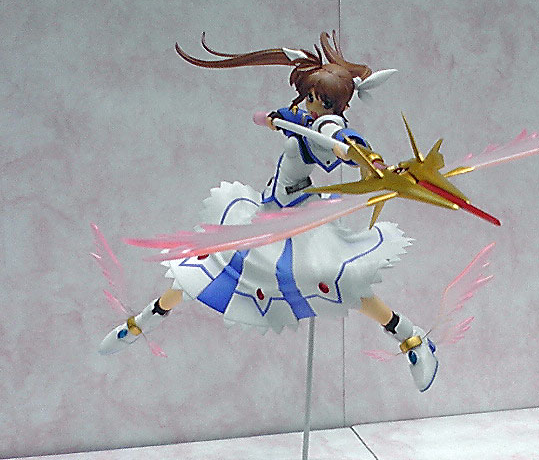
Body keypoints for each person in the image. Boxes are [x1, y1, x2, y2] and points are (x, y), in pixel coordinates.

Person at [99, 31, 438, 393]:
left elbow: (343, 139)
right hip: (266, 211)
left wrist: (355, 151)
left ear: (335, 104)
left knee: (342, 283)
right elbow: (288, 116)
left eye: (320, 100)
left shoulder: (328, 126)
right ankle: (141, 322)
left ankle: (412, 339)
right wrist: (276, 118)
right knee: (204, 268)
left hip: (296, 222)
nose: (312, 104)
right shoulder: (307, 118)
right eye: (310, 96)